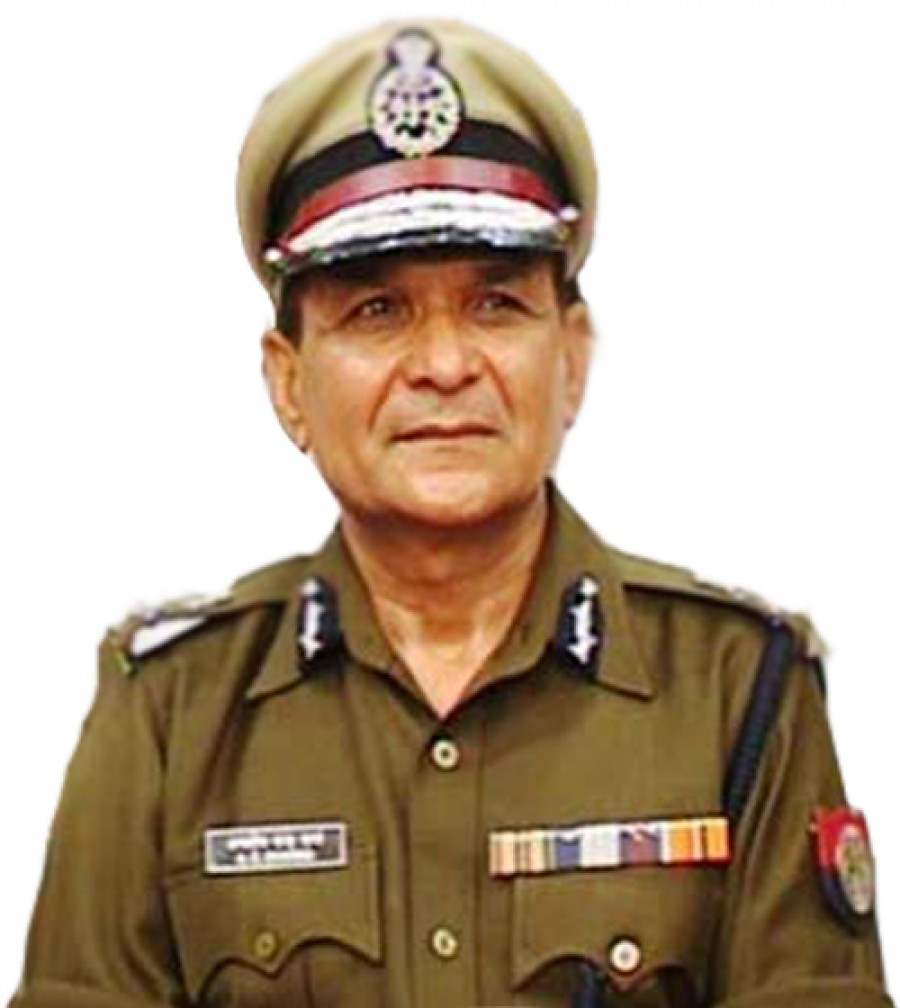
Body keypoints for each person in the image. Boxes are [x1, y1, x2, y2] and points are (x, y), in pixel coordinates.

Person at [6, 17, 893, 1008]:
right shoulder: (172, 711)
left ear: (573, 359)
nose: (442, 365)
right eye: (376, 312)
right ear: (289, 384)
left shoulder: (736, 693)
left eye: (495, 305)